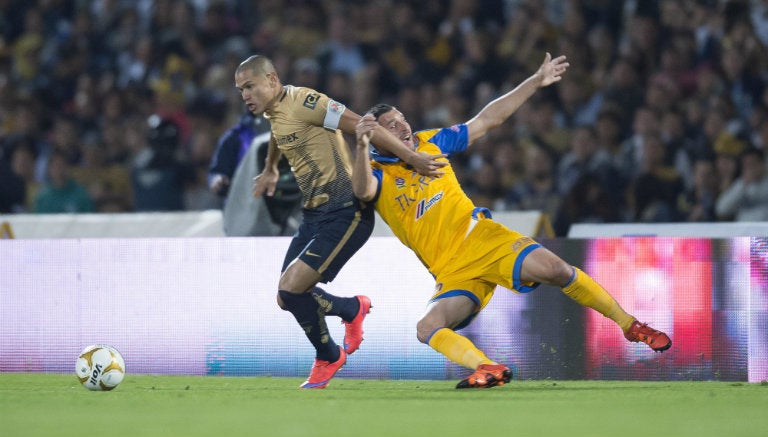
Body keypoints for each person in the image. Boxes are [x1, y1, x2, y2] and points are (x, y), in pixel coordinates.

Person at [352, 53, 671, 389]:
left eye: (402, 118)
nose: (403, 126)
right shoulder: (376, 172)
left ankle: (631, 325)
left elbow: (487, 119)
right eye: (391, 125)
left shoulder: (432, 142)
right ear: (377, 138)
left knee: (557, 271)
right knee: (426, 328)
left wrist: (534, 81)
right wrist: (359, 144)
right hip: (451, 270)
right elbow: (362, 190)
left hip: (483, 239)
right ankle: (487, 367)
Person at [234, 55, 445, 389]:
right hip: (315, 213)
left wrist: (412, 157)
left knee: (292, 288)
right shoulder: (275, 111)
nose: (244, 94)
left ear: (272, 80)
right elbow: (280, 133)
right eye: (240, 89)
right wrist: (271, 167)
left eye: (249, 86)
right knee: (285, 297)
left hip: (346, 210)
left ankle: (329, 355)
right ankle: (350, 309)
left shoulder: (306, 101)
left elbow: (365, 125)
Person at [208, 109, 301, 236]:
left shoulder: (295, 132)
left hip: (287, 203)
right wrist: (218, 180)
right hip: (246, 208)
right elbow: (218, 170)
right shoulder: (237, 136)